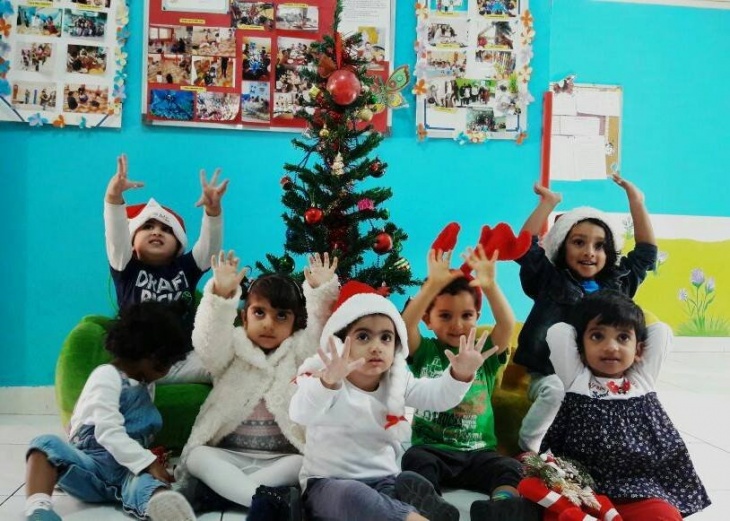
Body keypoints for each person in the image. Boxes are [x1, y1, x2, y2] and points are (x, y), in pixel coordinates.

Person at [290, 280, 498, 521]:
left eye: (386, 338)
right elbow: (299, 413)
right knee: (355, 496)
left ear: (397, 346)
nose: (376, 347)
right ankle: (412, 516)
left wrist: (460, 374)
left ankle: (413, 504)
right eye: (363, 337)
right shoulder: (322, 380)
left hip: (383, 480)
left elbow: (437, 396)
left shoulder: (397, 382)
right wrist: (328, 381)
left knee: (394, 490)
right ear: (338, 341)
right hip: (328, 484)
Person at [175, 250, 339, 518]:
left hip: (280, 460)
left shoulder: (299, 351)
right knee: (197, 457)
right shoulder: (230, 349)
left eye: (281, 316)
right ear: (244, 317)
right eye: (259, 313)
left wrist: (320, 294)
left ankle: (224, 494)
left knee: (305, 462)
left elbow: (320, 337)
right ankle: (263, 499)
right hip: (228, 455)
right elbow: (207, 342)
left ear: (295, 323)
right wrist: (220, 296)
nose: (268, 324)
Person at [514, 173, 658, 453]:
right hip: (549, 374)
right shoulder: (550, 279)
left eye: (599, 245)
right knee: (556, 389)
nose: (589, 252)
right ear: (562, 246)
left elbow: (645, 253)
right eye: (578, 242)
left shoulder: (618, 283)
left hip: (601, 374)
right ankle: (527, 448)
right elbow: (525, 249)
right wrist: (548, 204)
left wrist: (637, 202)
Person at [538, 290, 711, 520]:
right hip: (584, 486)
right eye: (597, 336)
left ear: (639, 349)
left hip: (639, 486)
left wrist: (632, 325)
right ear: (580, 348)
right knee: (558, 515)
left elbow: (661, 332)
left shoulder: (642, 380)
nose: (611, 347)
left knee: (665, 515)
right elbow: (559, 332)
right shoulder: (577, 379)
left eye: (622, 338)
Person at [24, 302, 196, 521]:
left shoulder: (146, 386)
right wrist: (148, 462)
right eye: (166, 364)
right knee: (45, 445)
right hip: (91, 467)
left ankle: (163, 506)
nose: (167, 372)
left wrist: (153, 466)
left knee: (148, 486)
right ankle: (39, 508)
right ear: (150, 357)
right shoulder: (106, 375)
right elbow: (107, 432)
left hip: (127, 474)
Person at [401, 245, 537, 521]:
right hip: (433, 448)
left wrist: (489, 285)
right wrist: (432, 287)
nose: (458, 324)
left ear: (477, 317)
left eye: (466, 315)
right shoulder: (425, 350)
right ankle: (431, 504)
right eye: (445, 315)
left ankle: (500, 506)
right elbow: (405, 327)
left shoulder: (483, 352)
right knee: (414, 461)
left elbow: (507, 324)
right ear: (428, 319)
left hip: (479, 453)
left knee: (510, 468)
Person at [104, 153, 228, 384]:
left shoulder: (186, 267)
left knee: (224, 368)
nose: (157, 232)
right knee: (108, 377)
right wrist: (114, 196)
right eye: (148, 226)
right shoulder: (126, 267)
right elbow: (115, 234)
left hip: (182, 359)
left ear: (178, 245)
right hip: (136, 361)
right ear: (132, 243)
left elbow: (210, 247)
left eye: (167, 229)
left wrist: (213, 212)